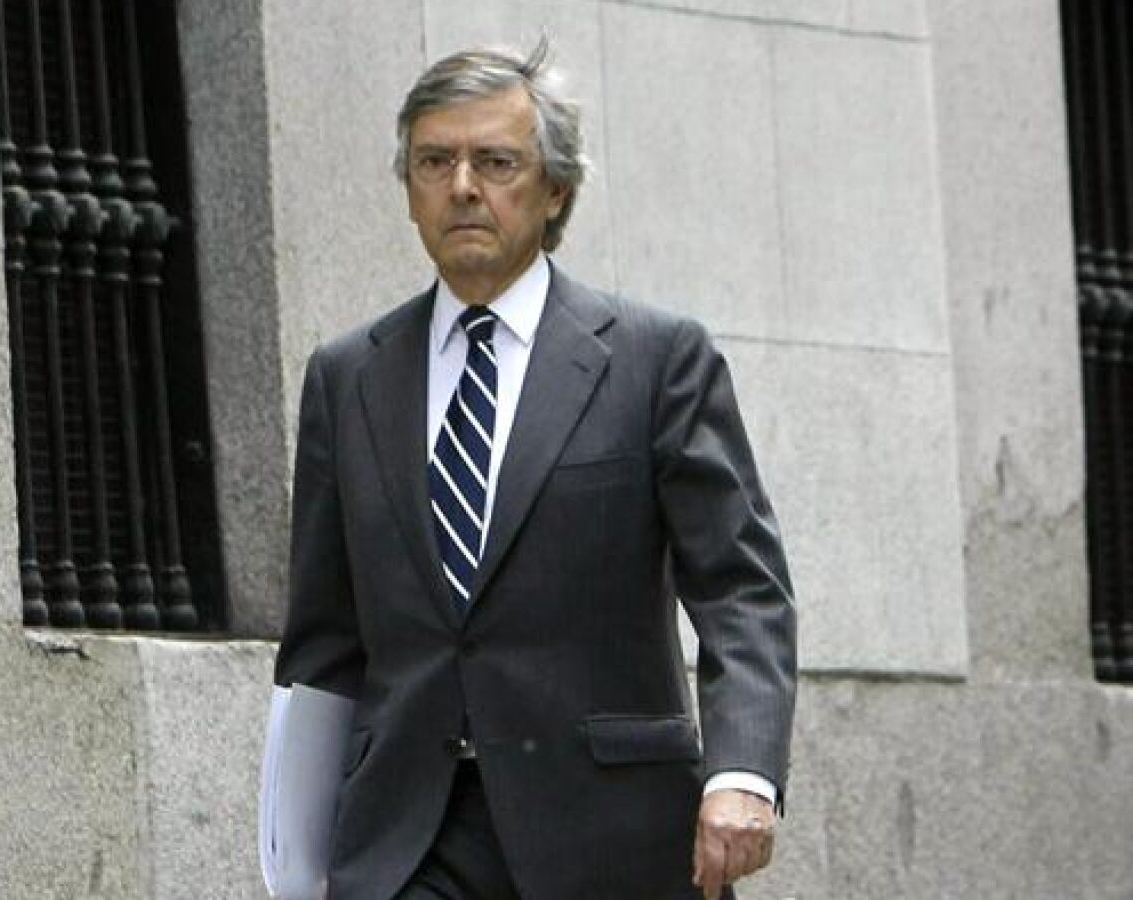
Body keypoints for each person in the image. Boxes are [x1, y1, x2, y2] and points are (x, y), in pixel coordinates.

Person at [270, 40, 797, 899]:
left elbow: (741, 589)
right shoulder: (346, 376)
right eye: (434, 162)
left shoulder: (655, 359)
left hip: (610, 835)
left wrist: (742, 773)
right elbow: (324, 641)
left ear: (553, 188)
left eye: (495, 161)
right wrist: (296, 848)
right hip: (407, 838)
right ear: (408, 188)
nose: (462, 186)